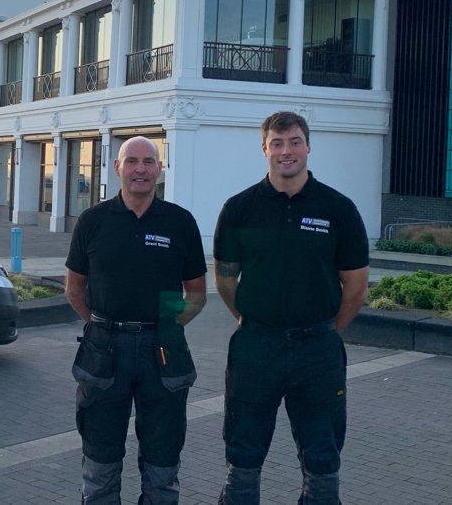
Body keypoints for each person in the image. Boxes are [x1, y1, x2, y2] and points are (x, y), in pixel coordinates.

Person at [212, 111, 369, 504]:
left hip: (317, 351)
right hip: (255, 347)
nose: (287, 151)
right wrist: (254, 321)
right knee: (243, 456)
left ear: (308, 146)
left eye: (295, 141)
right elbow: (226, 281)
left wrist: (325, 329)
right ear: (264, 149)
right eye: (277, 143)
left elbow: (356, 287)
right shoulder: (239, 209)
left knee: (322, 457)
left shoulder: (339, 209)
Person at [65, 136, 208, 505]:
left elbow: (195, 294)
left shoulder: (180, 222)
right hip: (103, 351)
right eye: (132, 161)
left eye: (148, 162)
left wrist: (165, 327)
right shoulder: (93, 221)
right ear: (117, 168)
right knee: (99, 458)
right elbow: (74, 289)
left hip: (163, 351)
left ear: (159, 169)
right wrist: (102, 325)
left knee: (163, 459)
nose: (140, 169)